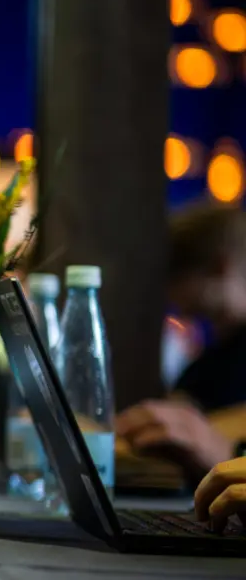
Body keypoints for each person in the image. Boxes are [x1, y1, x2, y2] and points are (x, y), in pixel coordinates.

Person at [116, 201, 246, 477]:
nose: (170, 294)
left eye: (177, 276)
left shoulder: (221, 362)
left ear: (219, 267)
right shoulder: (210, 362)